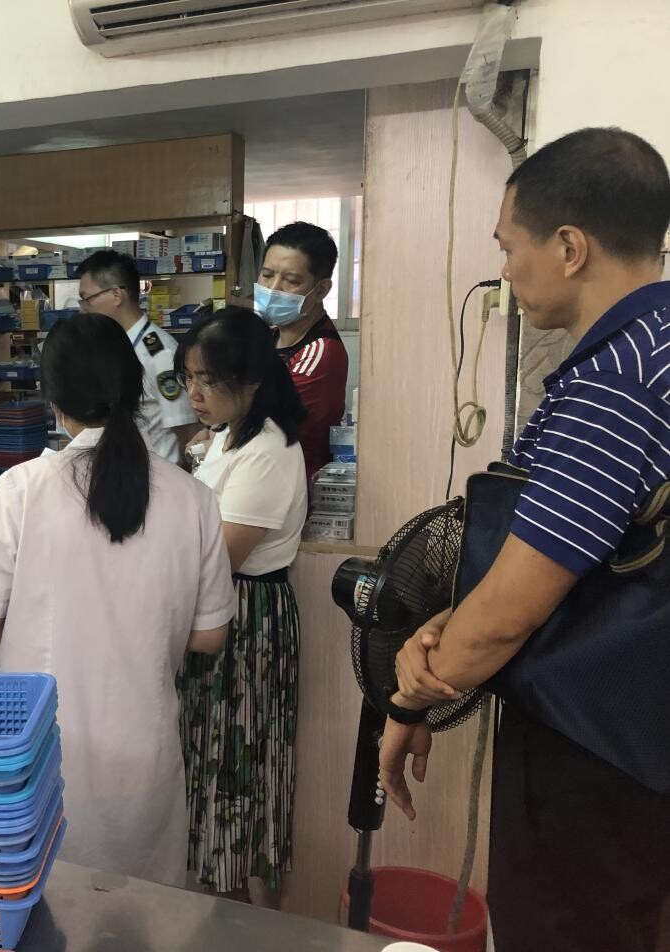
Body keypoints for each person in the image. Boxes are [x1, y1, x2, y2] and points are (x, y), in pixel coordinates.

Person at [381, 128, 670, 952]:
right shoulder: (658, 348)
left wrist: (410, 698)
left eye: (509, 247)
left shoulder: (616, 383)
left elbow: (512, 609)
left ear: (569, 248)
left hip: (591, 748)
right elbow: (584, 555)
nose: (505, 270)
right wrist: (455, 623)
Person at [0, 312, 235, 886]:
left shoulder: (24, 487)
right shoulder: (193, 497)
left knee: (41, 902)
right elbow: (209, 636)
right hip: (142, 752)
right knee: (141, 912)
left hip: (38, 752)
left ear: (54, 402)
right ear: (135, 389)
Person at [174, 307, 309, 902]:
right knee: (210, 760)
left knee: (236, 765)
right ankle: (220, 901)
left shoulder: (268, 450)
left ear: (252, 380)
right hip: (219, 609)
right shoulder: (229, 437)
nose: (195, 393)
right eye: (188, 378)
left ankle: (240, 911)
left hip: (247, 618)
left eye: (209, 380)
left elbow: (219, 557)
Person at [78, 249, 201, 464]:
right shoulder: (117, 344)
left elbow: (186, 431)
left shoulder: (160, 353)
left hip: (160, 474)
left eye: (87, 299)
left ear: (116, 295)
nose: (83, 309)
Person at [255, 222, 349, 483]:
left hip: (288, 483)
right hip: (259, 472)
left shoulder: (320, 352)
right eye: (267, 274)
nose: (273, 288)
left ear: (321, 290)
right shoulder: (268, 336)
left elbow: (272, 428)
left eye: (291, 281)